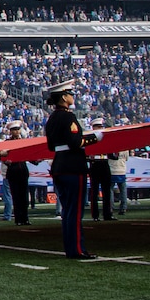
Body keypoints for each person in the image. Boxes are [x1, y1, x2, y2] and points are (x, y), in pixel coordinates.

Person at [44, 79, 95, 260]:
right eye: (70, 94)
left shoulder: (52, 118)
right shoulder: (68, 117)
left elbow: (51, 145)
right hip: (73, 165)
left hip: (59, 165)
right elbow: (75, 142)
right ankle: (77, 249)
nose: (73, 97)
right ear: (64, 97)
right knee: (75, 210)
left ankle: (71, 247)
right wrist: (93, 139)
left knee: (68, 210)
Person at [1, 119, 30, 226]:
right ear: (10, 131)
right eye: (14, 130)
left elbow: (28, 155)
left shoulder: (24, 141)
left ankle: (25, 218)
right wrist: (7, 161)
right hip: (13, 171)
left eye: (18, 129)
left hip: (22, 171)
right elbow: (3, 157)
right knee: (16, 196)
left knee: (24, 197)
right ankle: (18, 219)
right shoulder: (7, 143)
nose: (16, 132)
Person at [87, 118, 113, 222]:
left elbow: (112, 155)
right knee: (94, 191)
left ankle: (107, 214)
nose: (100, 129)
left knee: (107, 191)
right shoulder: (89, 139)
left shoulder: (105, 138)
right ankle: (95, 214)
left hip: (104, 163)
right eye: (98, 127)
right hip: (95, 165)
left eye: (101, 127)